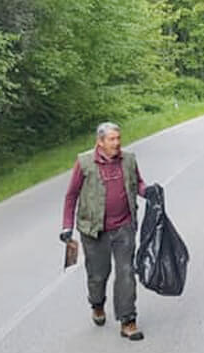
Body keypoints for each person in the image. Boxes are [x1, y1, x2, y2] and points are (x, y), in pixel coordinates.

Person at [60, 122, 148, 341]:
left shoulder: (129, 160)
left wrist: (148, 192)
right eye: (112, 139)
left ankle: (128, 320)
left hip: (124, 227)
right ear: (100, 142)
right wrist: (67, 226)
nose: (117, 143)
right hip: (94, 230)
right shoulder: (85, 162)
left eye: (118, 138)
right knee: (98, 275)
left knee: (126, 272)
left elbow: (137, 183)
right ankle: (97, 304)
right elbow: (71, 195)